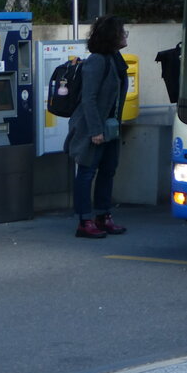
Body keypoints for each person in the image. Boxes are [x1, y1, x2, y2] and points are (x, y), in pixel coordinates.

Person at [66, 15, 129, 239]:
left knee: (108, 170)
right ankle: (85, 220)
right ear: (112, 35)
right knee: (86, 171)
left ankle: (103, 215)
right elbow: (89, 99)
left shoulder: (115, 58)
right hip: (93, 127)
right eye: (122, 32)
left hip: (111, 126)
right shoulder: (96, 61)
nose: (125, 35)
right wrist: (95, 131)